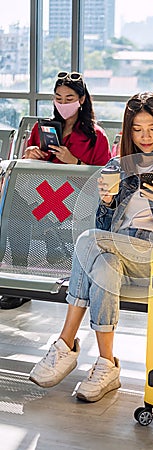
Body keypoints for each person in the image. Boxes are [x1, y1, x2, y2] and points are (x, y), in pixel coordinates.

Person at [29, 91, 153, 403]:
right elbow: (104, 229)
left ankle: (65, 343)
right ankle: (107, 365)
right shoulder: (116, 166)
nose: (146, 136)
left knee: (87, 241)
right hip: (118, 256)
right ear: (128, 131)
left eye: (152, 128)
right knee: (103, 265)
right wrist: (108, 202)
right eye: (137, 129)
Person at [0, 71, 111, 310]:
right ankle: (18, 279)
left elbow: (105, 177)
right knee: (17, 199)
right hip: (39, 199)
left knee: (23, 204)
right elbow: (28, 169)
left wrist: (76, 162)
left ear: (81, 100)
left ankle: (49, 230)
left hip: (77, 199)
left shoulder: (96, 136)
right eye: (58, 98)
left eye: (69, 98)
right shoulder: (43, 129)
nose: (62, 104)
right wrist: (29, 155)